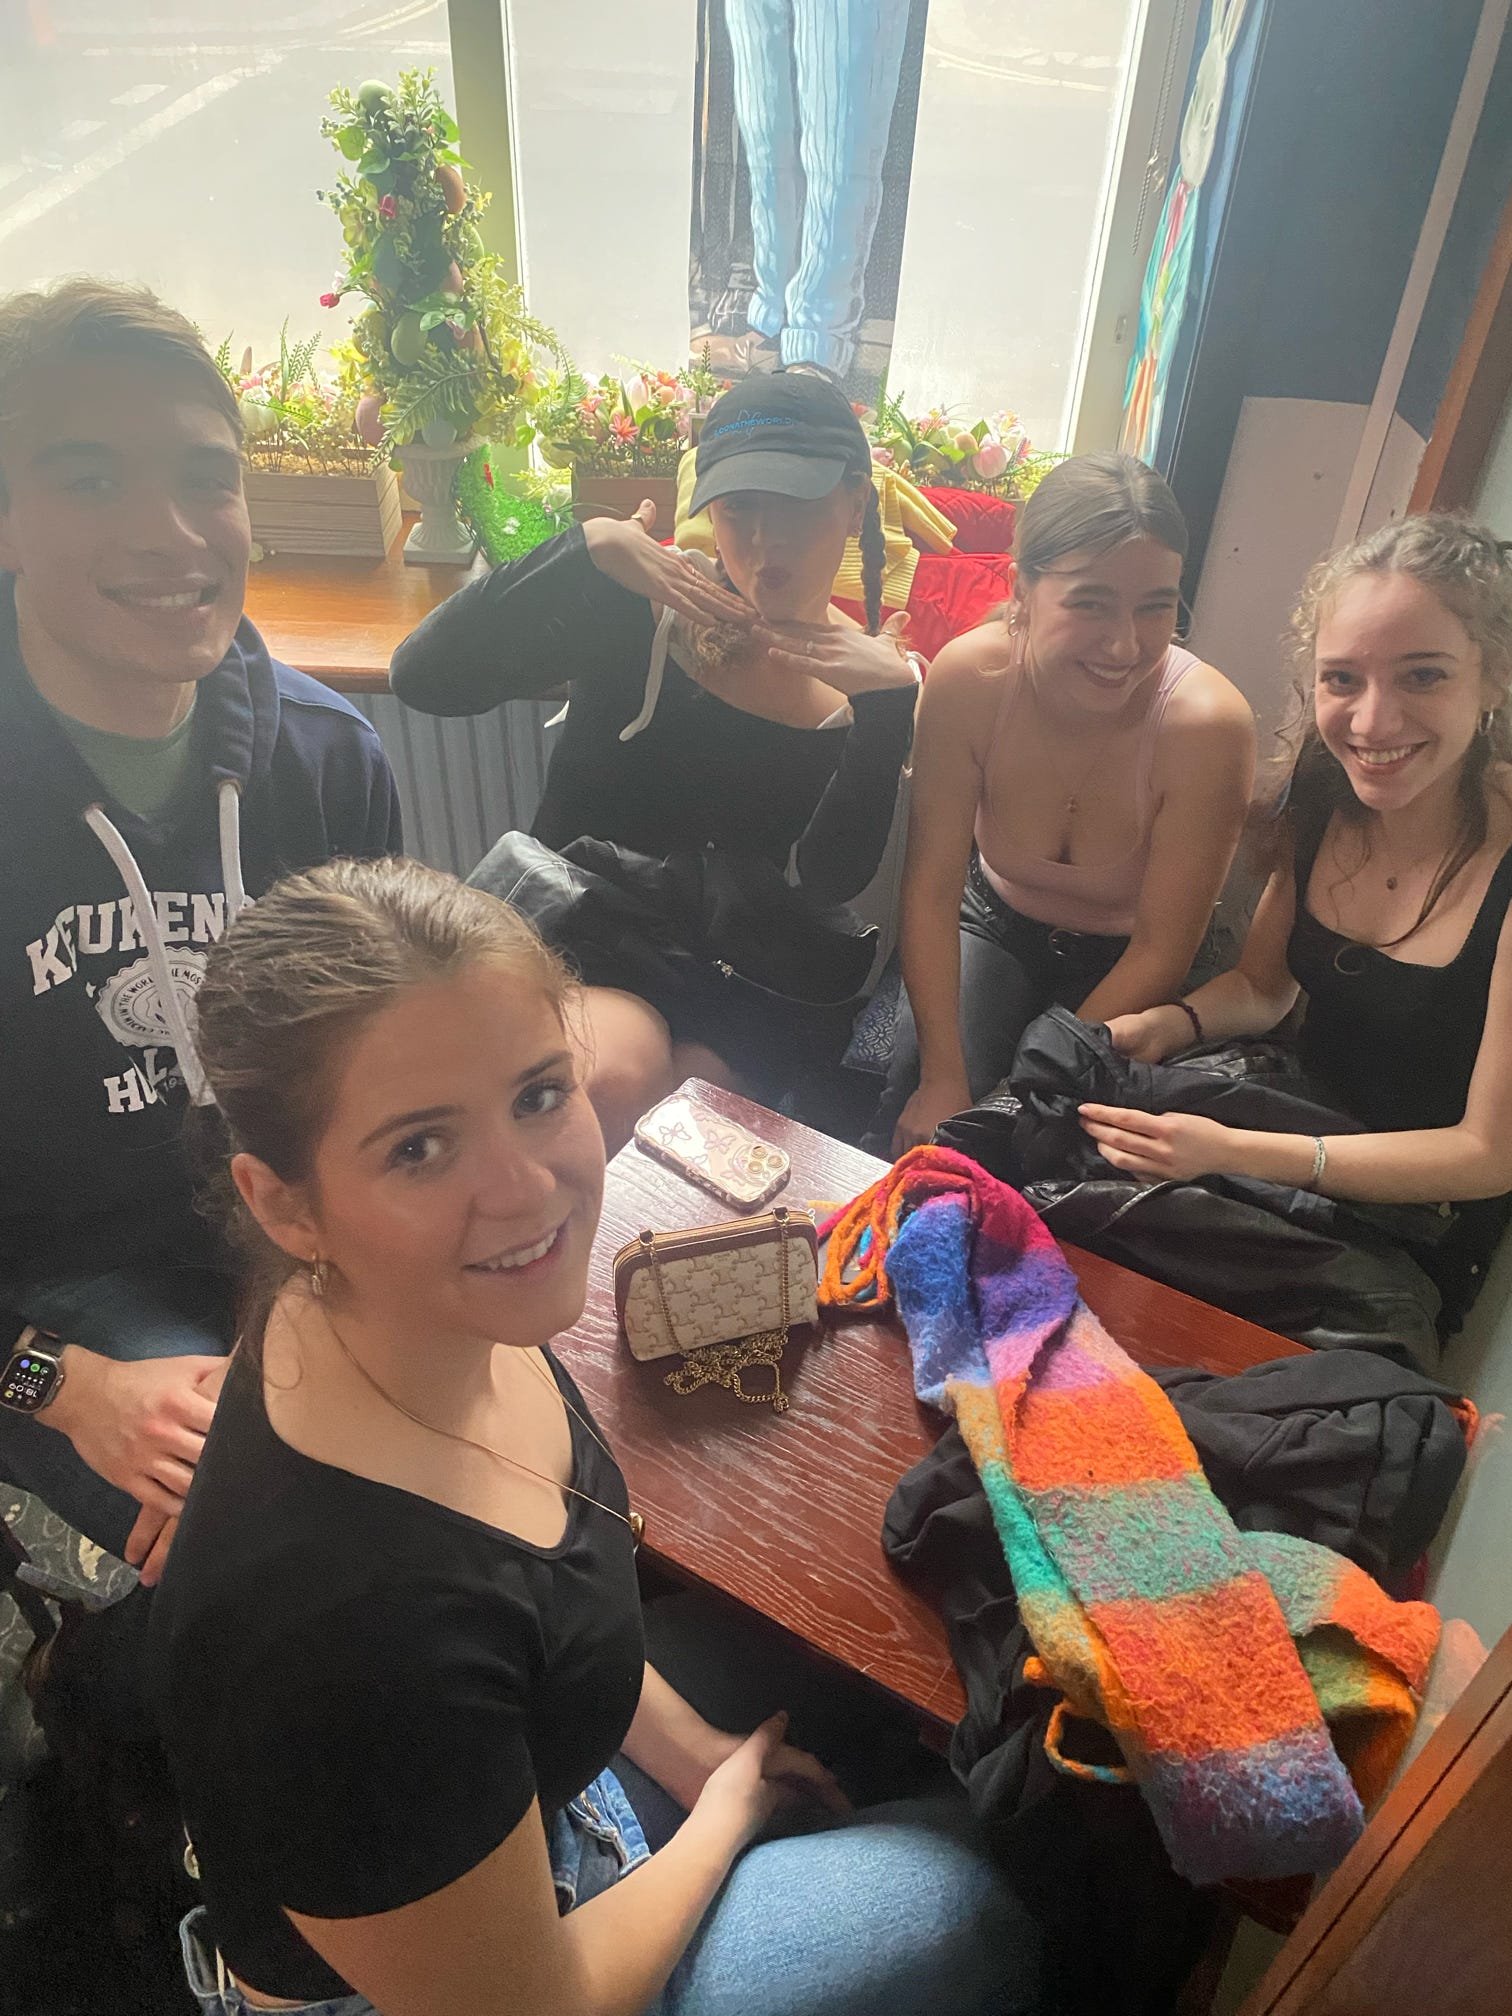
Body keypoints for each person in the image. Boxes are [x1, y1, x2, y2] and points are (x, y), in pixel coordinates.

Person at [147, 855, 1041, 2016]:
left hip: (527, 1813)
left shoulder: (402, 1311)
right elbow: (540, 2003)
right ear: (283, 1203)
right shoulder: (345, 1640)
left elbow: (556, 1599)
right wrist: (728, 1815)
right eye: (419, 1148)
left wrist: (703, 1754)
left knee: (890, 1694)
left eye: (537, 1094)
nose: (529, 1191)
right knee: (965, 1898)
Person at [0, 279, 401, 1590]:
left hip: (296, 1225)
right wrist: (65, 1387)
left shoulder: (329, 762)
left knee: (500, 1439)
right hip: (56, 1299)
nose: (170, 534)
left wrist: (325, 1285)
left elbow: (386, 1073)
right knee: (271, 1536)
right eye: (90, 480)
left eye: (204, 479)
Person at [391, 367, 919, 1152]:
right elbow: (424, 678)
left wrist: (885, 712)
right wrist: (585, 549)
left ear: (854, 504)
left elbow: (826, 882)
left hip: (738, 974)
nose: (765, 545)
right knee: (616, 1077)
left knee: (702, 1121)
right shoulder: (647, 601)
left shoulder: (862, 678)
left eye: (796, 508)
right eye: (740, 510)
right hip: (581, 935)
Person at [1081, 514, 1512, 1336]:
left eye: (1423, 676)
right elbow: (1262, 986)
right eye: (1342, 679)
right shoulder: (1321, 792)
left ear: (1492, 678)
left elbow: (1486, 1155)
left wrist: (1235, 1152)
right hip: (1288, 1125)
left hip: (1408, 1224)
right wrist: (1166, 1024)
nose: (1372, 723)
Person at [873, 450, 1255, 1155]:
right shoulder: (971, 680)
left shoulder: (1207, 725)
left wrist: (1012, 1098)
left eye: (1156, 606)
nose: (1125, 644)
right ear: (1022, 588)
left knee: (1048, 1141)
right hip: (995, 923)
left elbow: (1163, 947)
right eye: (1090, 602)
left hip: (1132, 960)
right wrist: (943, 1078)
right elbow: (930, 889)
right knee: (921, 1115)